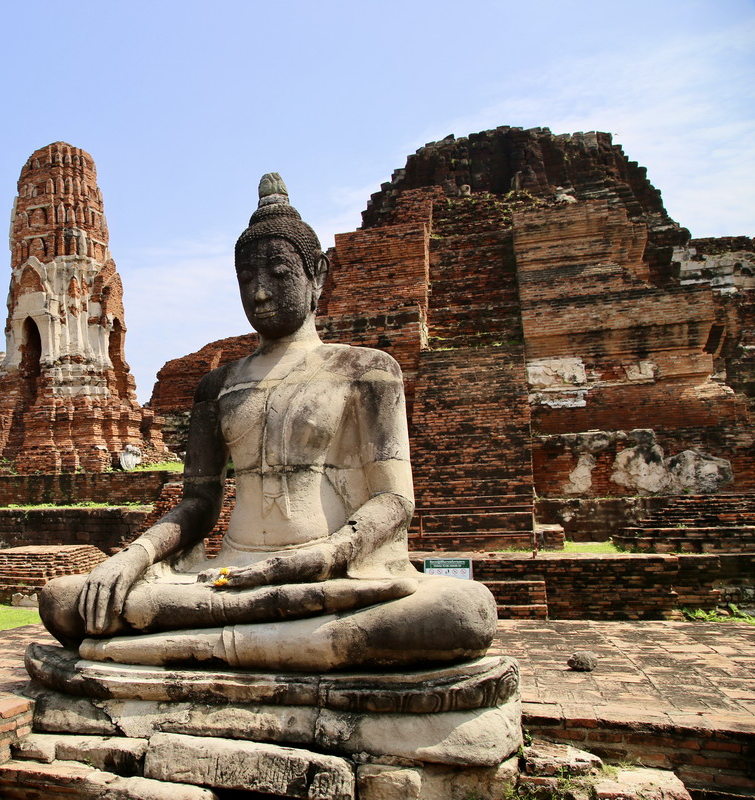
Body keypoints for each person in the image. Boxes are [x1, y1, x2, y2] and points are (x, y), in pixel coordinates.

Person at [40, 174, 496, 671]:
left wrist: (318, 558)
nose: (259, 293)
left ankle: (181, 649)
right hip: (229, 577)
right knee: (65, 602)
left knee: (461, 611)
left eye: (278, 273)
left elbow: (393, 501)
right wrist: (132, 557)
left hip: (329, 573)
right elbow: (198, 504)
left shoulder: (366, 370)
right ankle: (286, 645)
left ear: (317, 274)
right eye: (245, 279)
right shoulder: (217, 386)